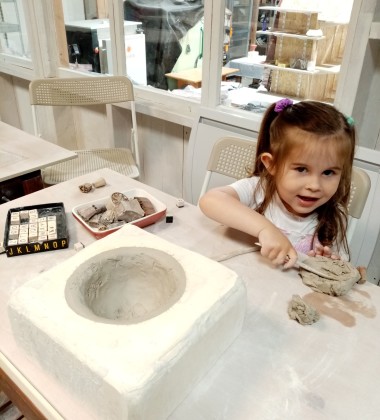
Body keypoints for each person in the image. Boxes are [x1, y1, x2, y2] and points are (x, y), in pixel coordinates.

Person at [199, 99, 356, 269]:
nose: (314, 185)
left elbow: (338, 265)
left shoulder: (335, 216)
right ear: (271, 164)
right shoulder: (259, 190)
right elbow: (211, 200)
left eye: (328, 172)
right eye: (302, 169)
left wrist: (327, 263)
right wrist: (265, 229)